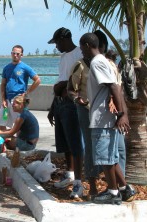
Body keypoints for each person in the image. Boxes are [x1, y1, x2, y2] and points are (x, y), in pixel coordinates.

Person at [80, 32, 131, 204]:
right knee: (111, 156)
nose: (81, 52)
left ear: (87, 45)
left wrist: (122, 115)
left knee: (105, 158)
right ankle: (124, 188)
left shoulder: (97, 62)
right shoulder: (102, 61)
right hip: (105, 117)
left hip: (102, 118)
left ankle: (113, 192)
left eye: (82, 47)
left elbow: (114, 88)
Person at [47, 27, 84, 199]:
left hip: (71, 104)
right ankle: (69, 174)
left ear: (64, 39)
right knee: (65, 143)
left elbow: (76, 78)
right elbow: (60, 78)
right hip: (60, 103)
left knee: (76, 144)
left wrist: (62, 86)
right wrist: (53, 106)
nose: (56, 47)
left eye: (57, 43)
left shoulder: (79, 53)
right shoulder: (63, 58)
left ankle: (78, 182)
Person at [0, 45, 41, 131]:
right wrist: (3, 99)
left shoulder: (25, 67)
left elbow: (37, 80)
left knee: (19, 125)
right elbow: (3, 84)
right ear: (11, 53)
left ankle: (17, 142)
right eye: (14, 53)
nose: (15, 55)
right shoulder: (6, 68)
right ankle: (6, 141)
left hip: (18, 101)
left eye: (17, 54)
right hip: (7, 102)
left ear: (21, 55)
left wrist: (26, 93)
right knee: (1, 122)